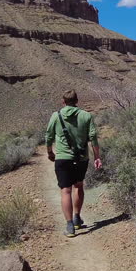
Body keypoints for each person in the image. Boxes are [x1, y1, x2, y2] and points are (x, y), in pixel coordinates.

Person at [45, 90, 102, 237]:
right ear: (77, 101)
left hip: (62, 158)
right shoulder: (86, 115)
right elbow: (93, 137)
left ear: (63, 101)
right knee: (79, 186)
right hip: (81, 158)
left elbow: (49, 136)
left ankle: (70, 226)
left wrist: (50, 152)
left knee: (65, 190)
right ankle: (77, 217)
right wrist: (97, 156)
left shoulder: (56, 116)